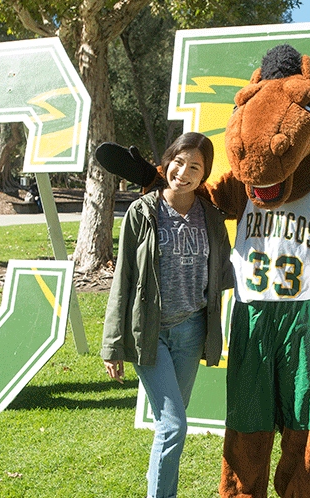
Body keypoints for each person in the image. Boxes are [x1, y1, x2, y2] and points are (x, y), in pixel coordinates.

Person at [100, 132, 233, 498]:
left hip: (192, 331)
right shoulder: (142, 212)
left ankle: (158, 486)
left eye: (195, 167)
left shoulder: (210, 217)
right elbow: (123, 278)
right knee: (174, 426)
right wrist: (112, 345)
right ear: (167, 161)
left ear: (203, 175)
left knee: (168, 423)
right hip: (150, 330)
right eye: (179, 161)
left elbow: (223, 272)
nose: (184, 172)